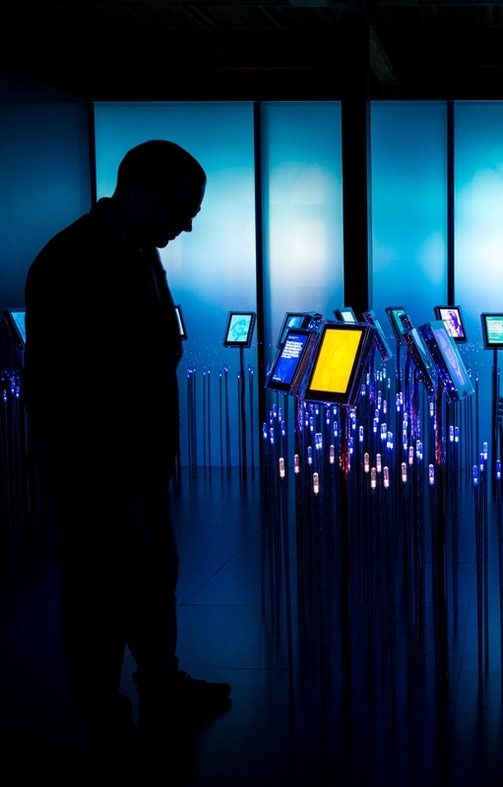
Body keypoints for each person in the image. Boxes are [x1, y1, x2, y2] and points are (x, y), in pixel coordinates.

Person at [24, 140, 230, 775]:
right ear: (141, 193)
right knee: (99, 592)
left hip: (139, 459)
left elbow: (150, 345)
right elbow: (69, 382)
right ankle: (104, 721)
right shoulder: (73, 259)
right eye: (183, 208)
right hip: (97, 465)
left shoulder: (138, 252)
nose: (188, 224)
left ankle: (159, 684)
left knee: (150, 575)